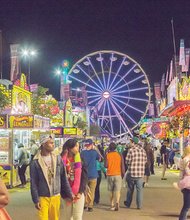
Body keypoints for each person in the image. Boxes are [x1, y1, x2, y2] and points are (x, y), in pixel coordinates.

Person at [30, 135, 73, 220]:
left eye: (53, 143)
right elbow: (33, 182)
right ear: (43, 144)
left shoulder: (57, 158)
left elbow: (63, 177)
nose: (53, 144)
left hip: (55, 196)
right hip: (43, 197)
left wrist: (69, 193)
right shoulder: (35, 161)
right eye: (50, 143)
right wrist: (36, 199)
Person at [61, 139, 85, 220]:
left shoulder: (80, 159)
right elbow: (59, 179)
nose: (78, 148)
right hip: (66, 195)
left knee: (77, 217)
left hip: (78, 193)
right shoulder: (61, 160)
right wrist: (65, 194)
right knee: (68, 217)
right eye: (75, 146)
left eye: (78, 146)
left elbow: (84, 177)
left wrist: (80, 192)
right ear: (69, 148)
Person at [124, 136, 147, 210]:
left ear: (133, 143)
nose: (130, 143)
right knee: (139, 190)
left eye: (130, 142)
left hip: (132, 173)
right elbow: (145, 161)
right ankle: (139, 205)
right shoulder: (143, 150)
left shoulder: (131, 150)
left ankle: (128, 203)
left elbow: (127, 161)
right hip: (140, 174)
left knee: (130, 189)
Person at [81, 139, 100, 212]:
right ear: (92, 145)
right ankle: (90, 206)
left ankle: (85, 204)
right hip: (93, 174)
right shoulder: (95, 152)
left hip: (84, 175)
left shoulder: (82, 153)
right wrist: (96, 149)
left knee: (85, 191)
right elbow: (100, 158)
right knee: (92, 191)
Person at [105, 142, 125, 211]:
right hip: (118, 174)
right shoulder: (119, 155)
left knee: (111, 190)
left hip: (110, 174)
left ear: (109, 148)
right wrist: (123, 174)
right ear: (116, 148)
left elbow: (106, 165)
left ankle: (112, 204)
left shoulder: (108, 155)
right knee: (117, 190)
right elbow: (122, 165)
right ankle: (117, 202)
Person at [176, 146, 190, 220]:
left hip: (185, 184)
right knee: (186, 206)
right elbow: (188, 172)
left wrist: (180, 183)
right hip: (188, 184)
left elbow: (181, 173)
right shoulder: (187, 160)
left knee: (186, 206)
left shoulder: (183, 159)